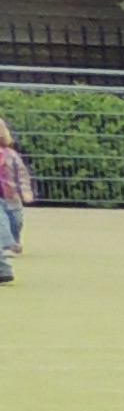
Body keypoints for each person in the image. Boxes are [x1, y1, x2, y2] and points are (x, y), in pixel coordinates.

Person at [0, 109, 34, 282]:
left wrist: (26, 192)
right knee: (1, 222)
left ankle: (14, 241)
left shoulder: (10, 155)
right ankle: (6, 246)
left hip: (11, 195)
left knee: (16, 220)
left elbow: (22, 174)